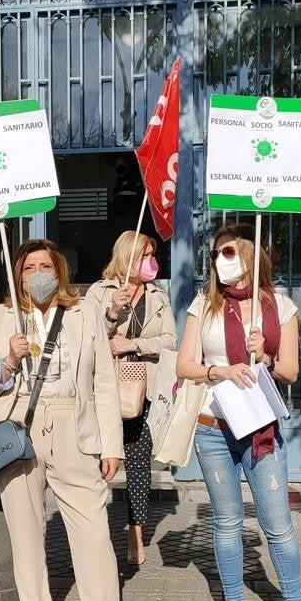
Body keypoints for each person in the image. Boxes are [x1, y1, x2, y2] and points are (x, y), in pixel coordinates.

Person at [175, 223, 301, 601]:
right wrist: (219, 372)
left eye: (227, 251)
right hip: (213, 429)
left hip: (260, 430)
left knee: (277, 523)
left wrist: (267, 355)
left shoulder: (281, 306)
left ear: (247, 254)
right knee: (226, 521)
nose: (219, 260)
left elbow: (290, 371)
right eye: (215, 254)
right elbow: (184, 365)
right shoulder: (201, 305)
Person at [0, 239, 123, 601]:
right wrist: (7, 361)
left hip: (76, 426)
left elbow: (103, 382)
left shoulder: (84, 314)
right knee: (26, 542)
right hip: (20, 426)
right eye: (28, 268)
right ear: (17, 275)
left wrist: (111, 445)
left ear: (59, 272)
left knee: (94, 537)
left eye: (45, 267)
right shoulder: (3, 315)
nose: (37, 275)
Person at [83, 231, 177, 565]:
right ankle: (90, 536)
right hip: (105, 391)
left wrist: (134, 344)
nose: (150, 262)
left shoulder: (157, 296)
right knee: (98, 462)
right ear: (126, 257)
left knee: (139, 462)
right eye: (143, 255)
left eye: (152, 254)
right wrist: (111, 314)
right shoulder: (100, 290)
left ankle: (136, 533)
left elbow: (170, 340)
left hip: (143, 390)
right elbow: (86, 337)